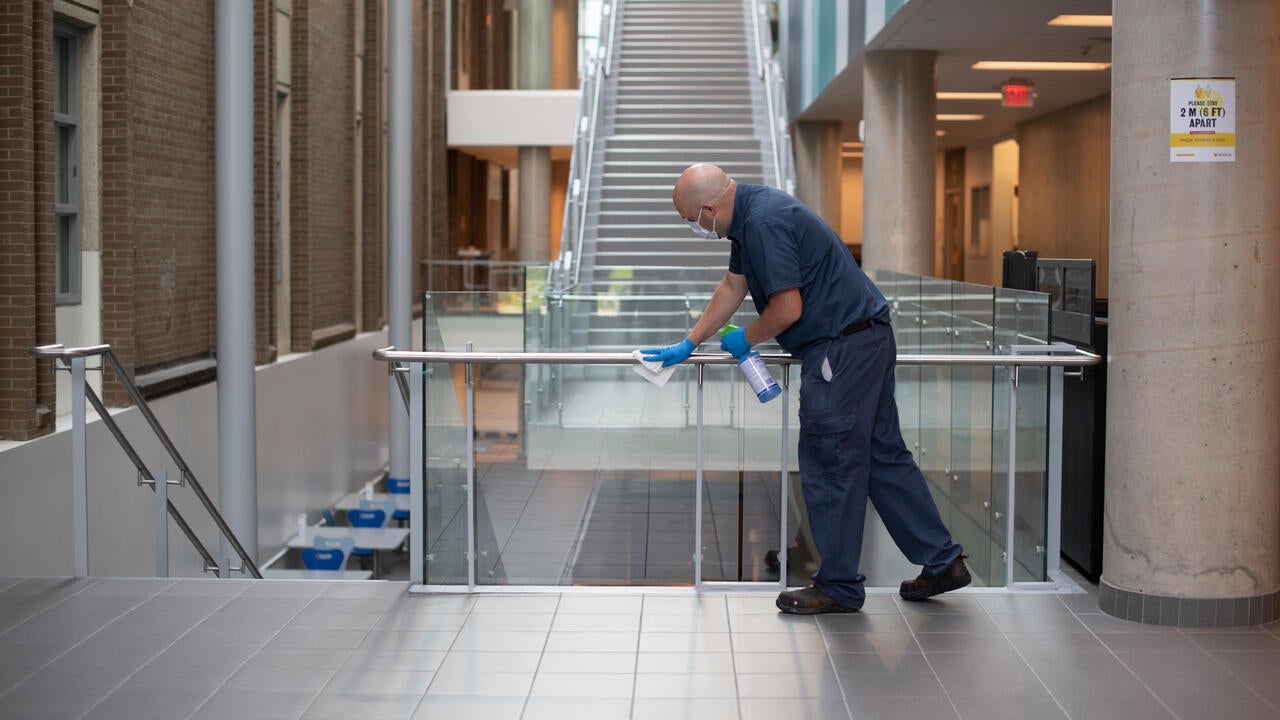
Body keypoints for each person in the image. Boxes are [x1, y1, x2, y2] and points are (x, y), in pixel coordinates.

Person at [642, 163, 970, 614]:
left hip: (841, 350)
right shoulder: (751, 217)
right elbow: (732, 285)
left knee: (829, 462)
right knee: (883, 457)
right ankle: (943, 561)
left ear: (708, 207)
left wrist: (746, 337)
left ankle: (838, 586)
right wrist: (689, 341)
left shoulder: (763, 222)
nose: (694, 228)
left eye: (691, 220)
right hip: (866, 339)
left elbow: (788, 308)